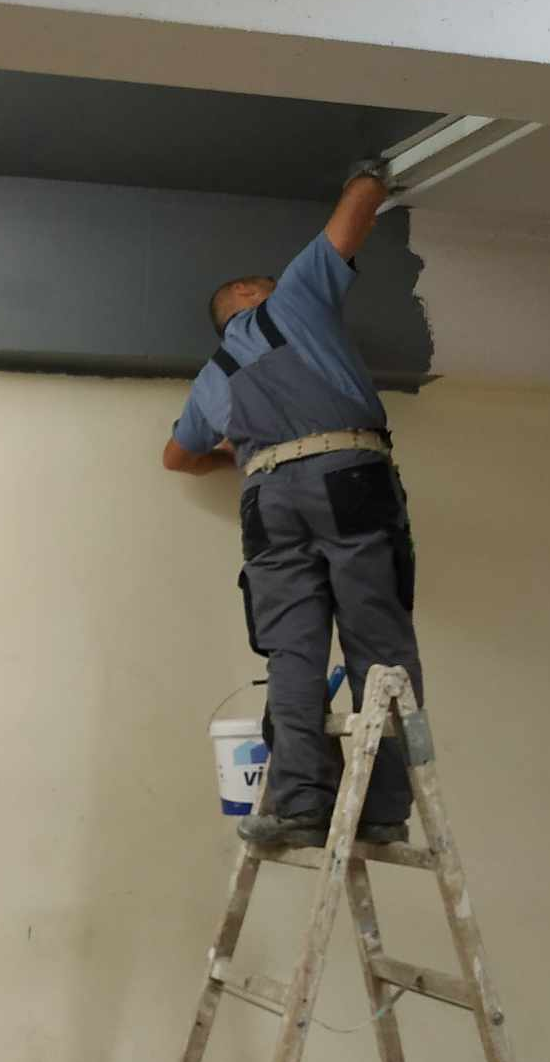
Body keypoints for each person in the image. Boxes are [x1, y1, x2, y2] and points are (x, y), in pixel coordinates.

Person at [162, 157, 422, 848]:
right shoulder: (293, 300)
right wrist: (373, 173)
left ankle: (301, 802)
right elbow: (350, 220)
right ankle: (382, 808)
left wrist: (237, 454)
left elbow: (176, 457)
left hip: (267, 500)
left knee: (293, 649)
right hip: (347, 477)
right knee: (379, 643)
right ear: (248, 294)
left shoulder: (210, 380)